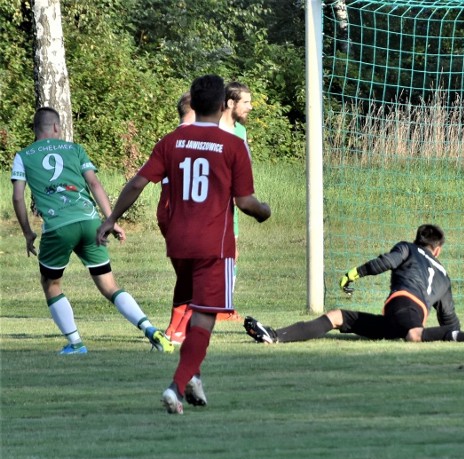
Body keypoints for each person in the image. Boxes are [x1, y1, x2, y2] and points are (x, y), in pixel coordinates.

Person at [97, 74, 271, 414]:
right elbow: (246, 202)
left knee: (192, 307)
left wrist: (111, 218)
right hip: (214, 246)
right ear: (223, 106)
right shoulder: (232, 145)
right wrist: (264, 212)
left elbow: (137, 183)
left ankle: (193, 377)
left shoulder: (172, 141)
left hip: (177, 242)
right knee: (205, 316)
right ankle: (176, 386)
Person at [11, 107, 172, 355]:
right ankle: (150, 330)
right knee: (109, 285)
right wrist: (111, 219)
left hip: (58, 226)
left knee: (51, 283)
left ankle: (75, 343)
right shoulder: (75, 149)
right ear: (56, 127)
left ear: (35, 129)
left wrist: (27, 232)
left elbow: (18, 198)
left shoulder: (23, 156)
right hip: (89, 222)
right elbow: (94, 183)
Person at [243, 224, 464, 344]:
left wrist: (355, 273)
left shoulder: (407, 248)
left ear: (417, 240)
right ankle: (274, 336)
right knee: (337, 317)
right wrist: (454, 334)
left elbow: (386, 262)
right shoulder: (444, 275)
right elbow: (450, 322)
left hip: (403, 307)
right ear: (438, 250)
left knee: (413, 334)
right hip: (403, 317)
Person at [217, 81, 253, 322]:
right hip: (212, 202)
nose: (250, 107)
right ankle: (216, 306)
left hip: (232, 202)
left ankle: (224, 305)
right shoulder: (212, 128)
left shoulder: (240, 131)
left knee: (232, 252)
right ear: (231, 103)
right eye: (246, 102)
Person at [162, 92, 196, 344]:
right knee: (202, 277)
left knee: (186, 277)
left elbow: (139, 181)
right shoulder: (201, 139)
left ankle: (173, 328)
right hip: (190, 214)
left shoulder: (167, 141)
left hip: (166, 212)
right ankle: (182, 330)